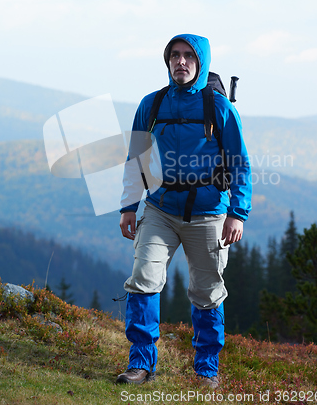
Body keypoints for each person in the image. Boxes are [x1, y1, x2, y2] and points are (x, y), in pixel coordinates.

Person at [116, 33, 252, 388]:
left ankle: (206, 370)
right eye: (174, 55)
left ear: (201, 62)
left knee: (207, 293)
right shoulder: (152, 104)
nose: (180, 62)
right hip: (159, 208)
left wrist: (237, 213)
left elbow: (239, 164)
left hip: (208, 213)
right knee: (143, 280)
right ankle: (141, 365)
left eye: (188, 56)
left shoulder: (220, 107)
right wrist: (129, 207)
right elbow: (136, 159)